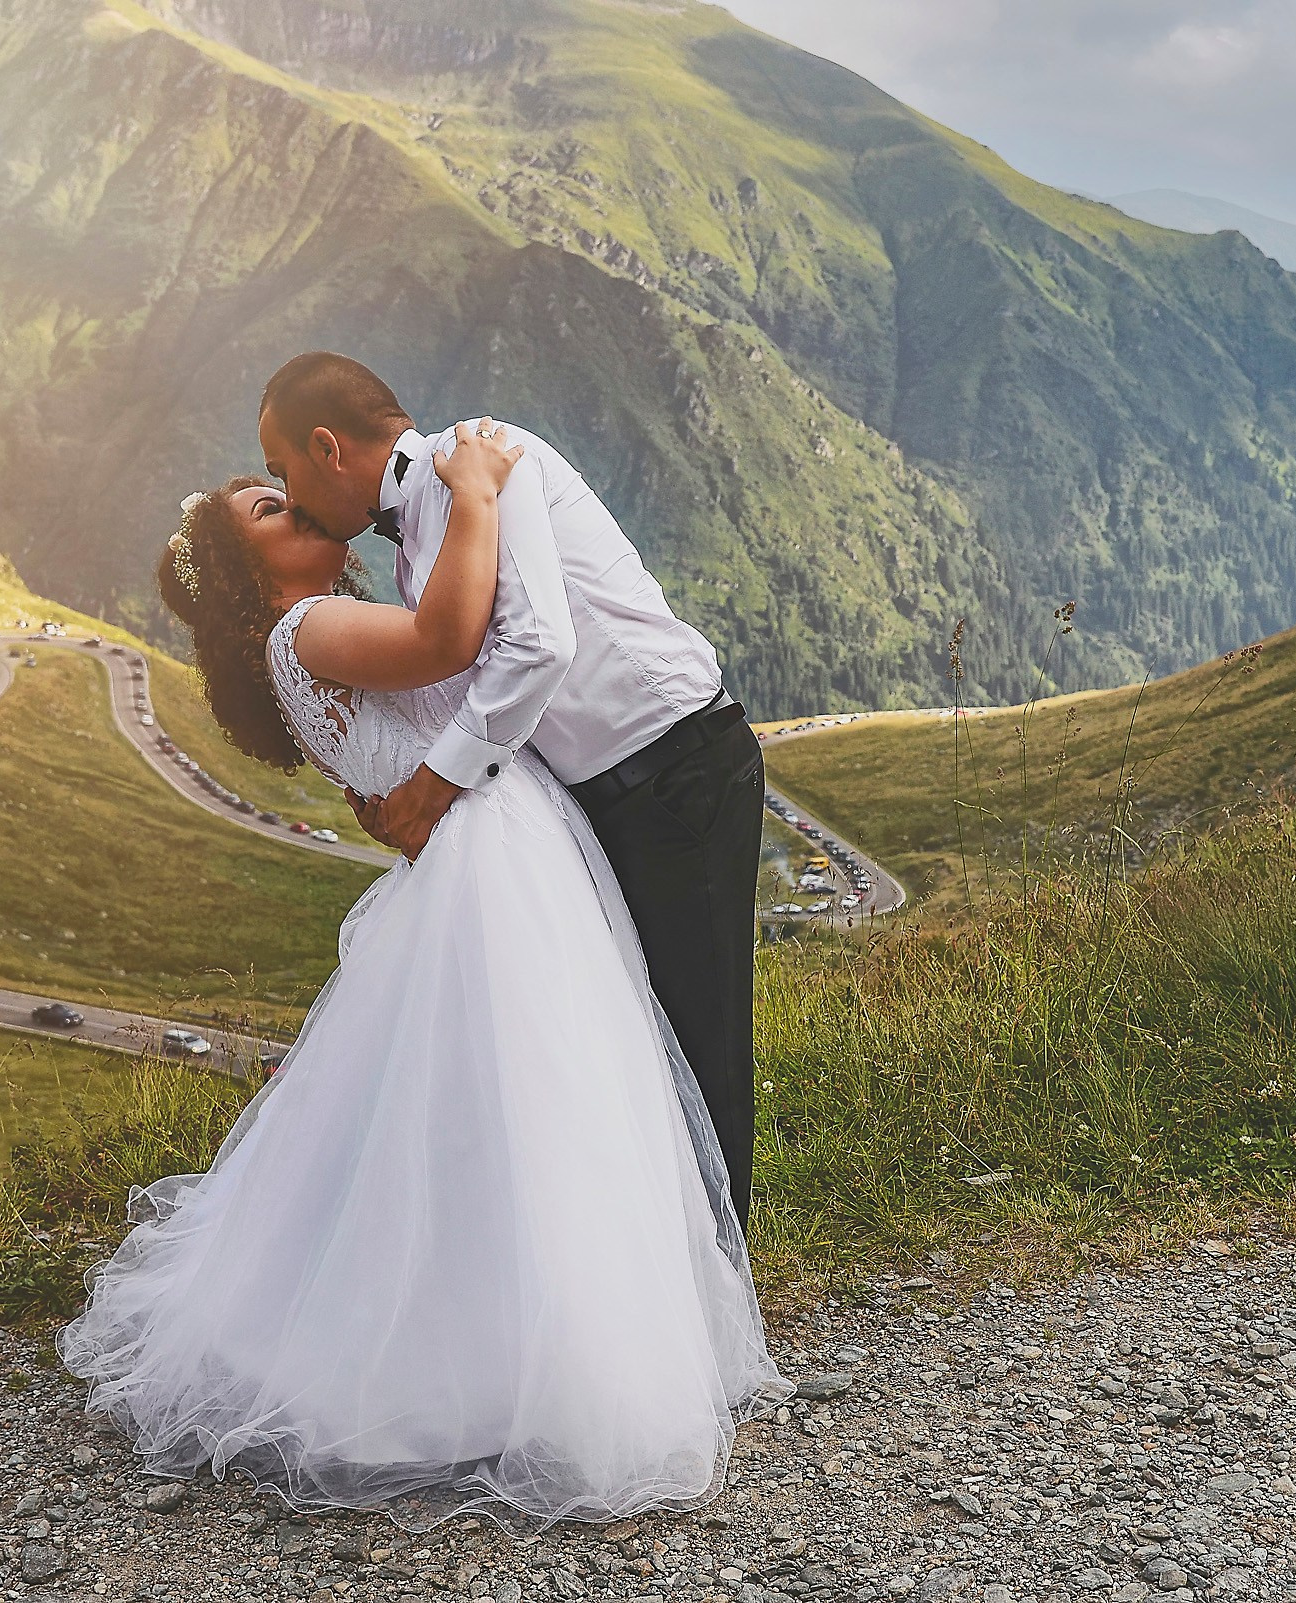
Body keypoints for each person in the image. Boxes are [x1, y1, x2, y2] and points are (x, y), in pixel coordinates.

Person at [56, 424, 787, 1528]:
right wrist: (484, 492)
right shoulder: (310, 626)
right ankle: (512, 1355)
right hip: (493, 864)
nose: (291, 507)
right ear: (254, 576)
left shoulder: (307, 630)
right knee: (538, 1099)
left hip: (498, 846)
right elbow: (452, 637)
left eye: (285, 492)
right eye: (269, 511)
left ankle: (520, 1326)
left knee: (506, 1110)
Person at [255, 352, 766, 1226]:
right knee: (633, 1051)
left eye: (283, 471)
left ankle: (723, 1289)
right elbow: (456, 677)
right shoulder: (428, 542)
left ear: (328, 448)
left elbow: (538, 647)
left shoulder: (482, 459)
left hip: (679, 768)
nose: (292, 496)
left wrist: (428, 787)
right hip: (605, 799)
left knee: (700, 1039)